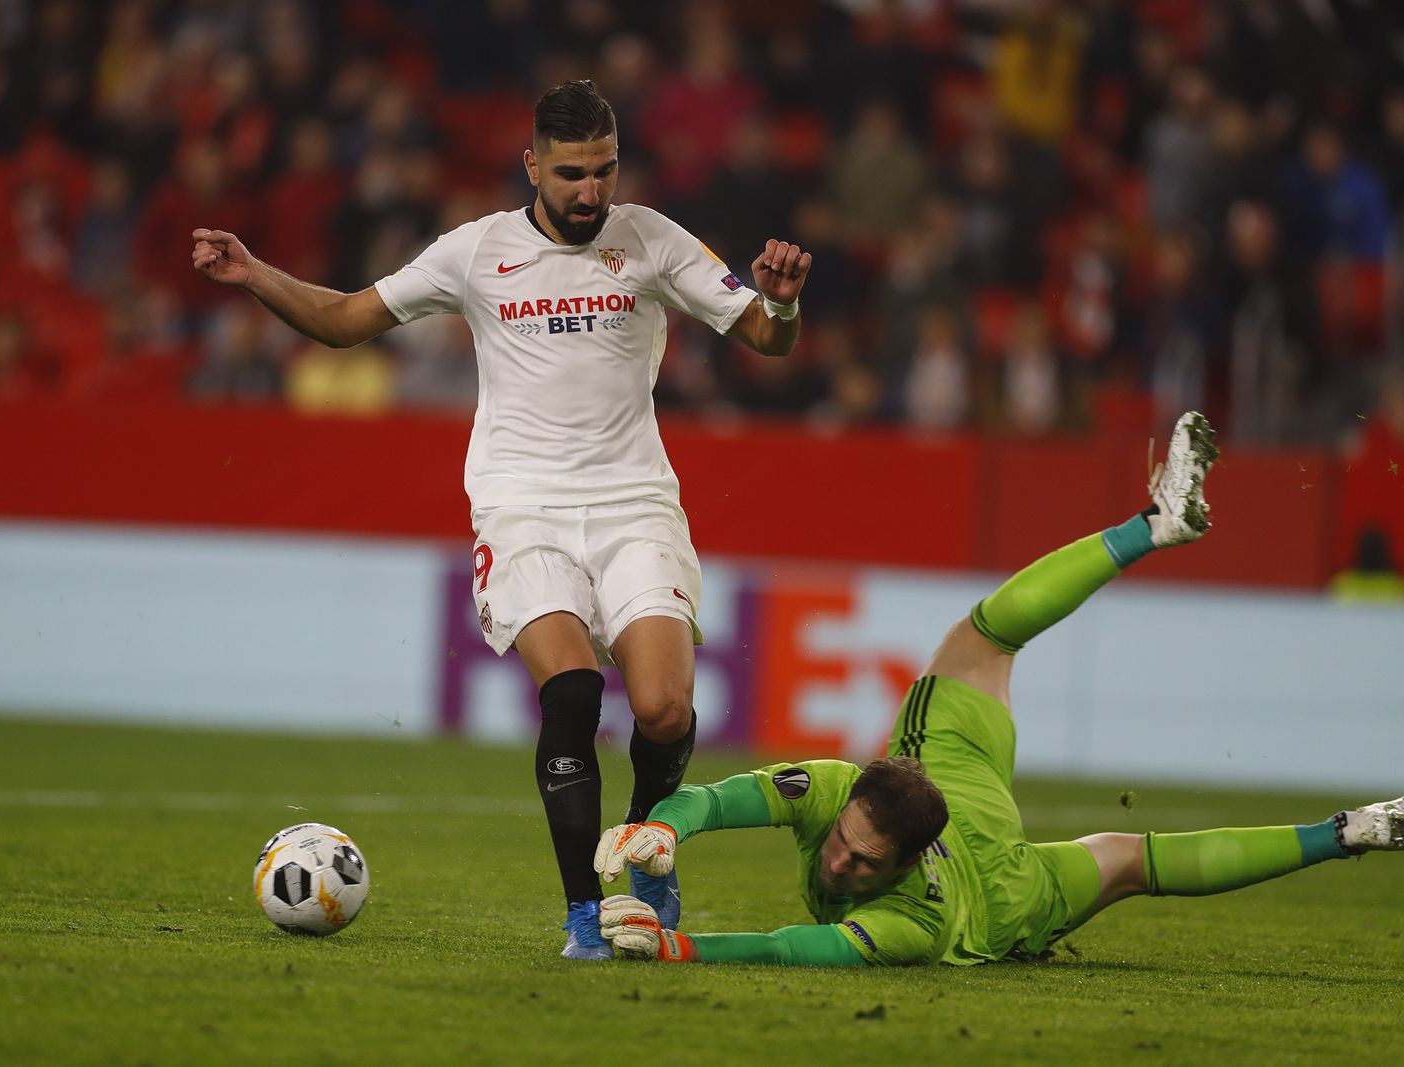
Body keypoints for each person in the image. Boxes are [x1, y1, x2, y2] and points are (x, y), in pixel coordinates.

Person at [191, 80, 813, 959]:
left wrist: (780, 301)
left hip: (635, 501)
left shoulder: (654, 240)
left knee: (667, 708)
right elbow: (344, 321)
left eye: (603, 171)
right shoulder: (478, 252)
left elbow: (764, 337)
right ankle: (583, 917)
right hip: (523, 508)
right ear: (532, 165)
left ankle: (643, 854)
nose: (590, 192)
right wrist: (254, 272)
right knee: (571, 694)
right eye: (570, 174)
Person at [593, 412, 1404, 966]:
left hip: (994, 899)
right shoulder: (844, 789)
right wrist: (667, 827)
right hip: (959, 782)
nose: (837, 862)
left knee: (1138, 860)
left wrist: (679, 946)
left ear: (906, 864)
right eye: (843, 839)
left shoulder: (910, 922)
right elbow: (722, 799)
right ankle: (1353, 828)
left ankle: (1161, 525)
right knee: (1123, 847)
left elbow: (782, 947)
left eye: (861, 860)